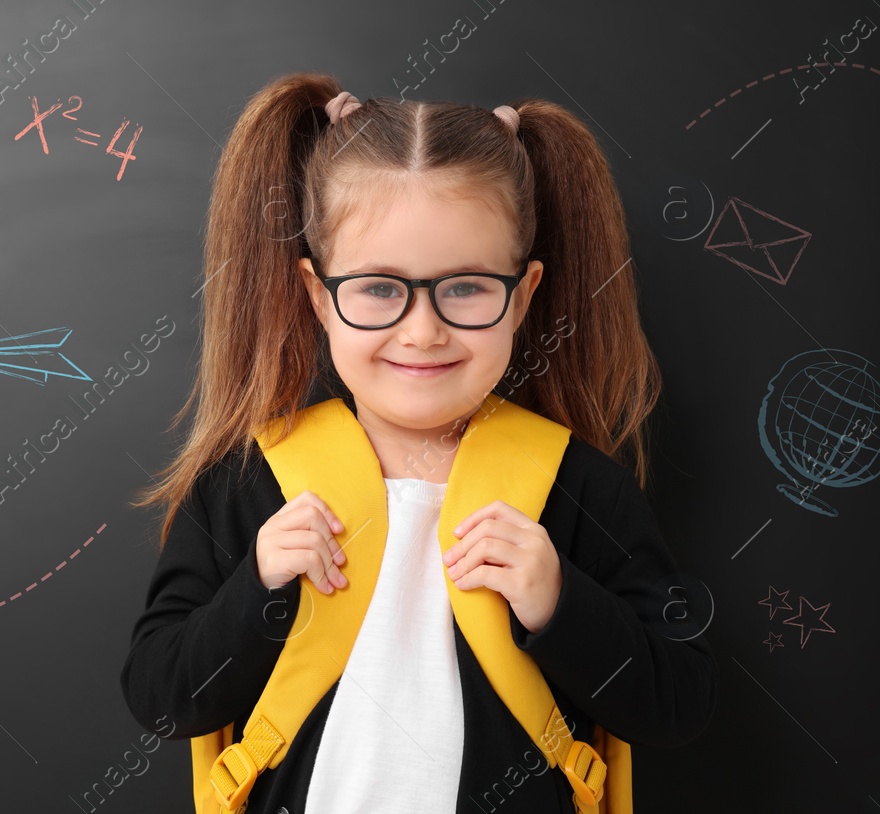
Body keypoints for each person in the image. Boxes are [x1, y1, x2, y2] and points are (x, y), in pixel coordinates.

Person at [119, 73, 718, 813]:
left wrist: (560, 603)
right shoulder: (249, 484)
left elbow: (678, 703)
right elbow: (162, 699)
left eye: (465, 287)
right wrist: (257, 588)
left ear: (523, 295)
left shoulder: (578, 488)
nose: (423, 330)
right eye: (377, 288)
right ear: (317, 295)